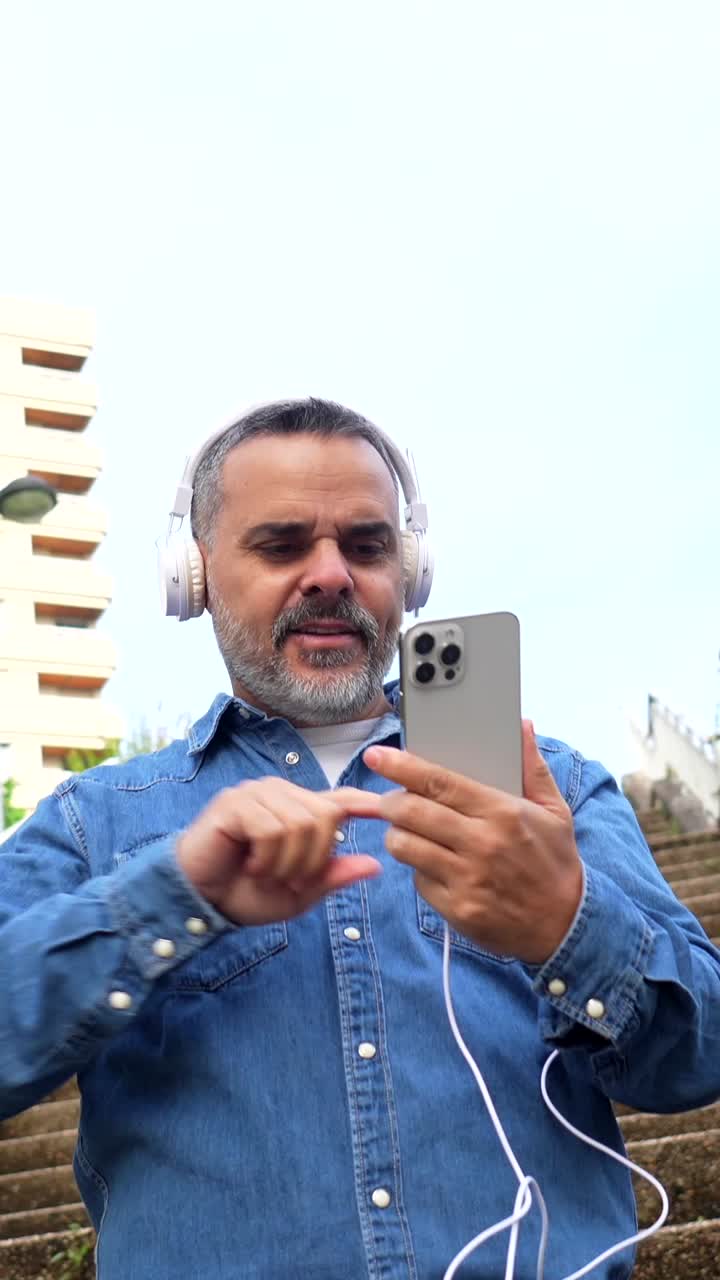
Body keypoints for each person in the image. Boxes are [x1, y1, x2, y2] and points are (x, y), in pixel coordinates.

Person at [1, 398, 719, 1280]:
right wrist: (171, 893)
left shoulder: (552, 791)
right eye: (281, 545)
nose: (331, 574)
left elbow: (699, 1059)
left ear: (409, 575)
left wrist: (568, 922)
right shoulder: (93, 820)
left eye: (369, 546)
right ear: (193, 575)